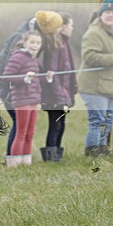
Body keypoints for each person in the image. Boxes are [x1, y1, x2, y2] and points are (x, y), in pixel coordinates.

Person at [77, 0, 113, 156]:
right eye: (107, 12)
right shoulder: (93, 32)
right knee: (97, 121)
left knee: (107, 122)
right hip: (94, 86)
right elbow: (89, 57)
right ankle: (93, 153)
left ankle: (102, 150)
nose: (110, 15)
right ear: (101, 14)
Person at [2, 30, 47, 166]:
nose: (35, 45)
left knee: (30, 133)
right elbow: (6, 76)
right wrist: (24, 79)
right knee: (21, 132)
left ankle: (26, 162)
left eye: (38, 43)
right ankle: (13, 163)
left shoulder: (34, 58)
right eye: (32, 42)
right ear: (25, 43)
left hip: (34, 100)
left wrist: (47, 77)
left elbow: (35, 80)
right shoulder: (18, 57)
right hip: (22, 100)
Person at [38, 11, 77, 161]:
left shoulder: (63, 42)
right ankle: (50, 157)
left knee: (61, 124)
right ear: (63, 26)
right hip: (54, 95)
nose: (72, 28)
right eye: (71, 25)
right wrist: (60, 96)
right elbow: (53, 74)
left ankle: (57, 155)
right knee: (55, 125)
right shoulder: (54, 46)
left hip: (61, 93)